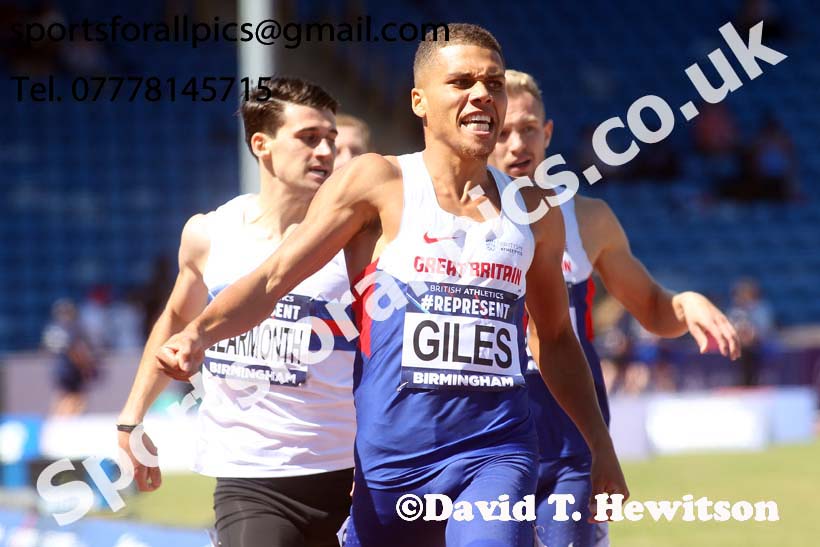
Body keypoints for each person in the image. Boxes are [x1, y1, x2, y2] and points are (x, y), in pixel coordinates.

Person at [156, 24, 627, 547]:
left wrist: (600, 447)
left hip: (497, 450)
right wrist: (199, 333)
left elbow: (558, 338)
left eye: (493, 83)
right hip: (392, 464)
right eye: (462, 82)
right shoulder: (378, 183)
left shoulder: (534, 212)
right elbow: (272, 278)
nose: (481, 95)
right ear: (419, 101)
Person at [489, 69, 741, 547]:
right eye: (503, 131)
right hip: (483, 441)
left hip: (570, 448)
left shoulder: (588, 219)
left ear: (547, 134)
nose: (517, 143)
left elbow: (651, 306)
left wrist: (683, 303)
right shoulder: (445, 224)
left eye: (527, 129)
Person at [117, 77, 356, 547]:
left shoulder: (359, 239)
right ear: (261, 145)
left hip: (351, 472)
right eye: (309, 138)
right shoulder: (211, 234)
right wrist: (132, 419)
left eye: (330, 138)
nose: (326, 151)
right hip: (251, 479)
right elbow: (175, 321)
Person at [42, 298, 100, 415]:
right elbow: (75, 350)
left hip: (58, 368)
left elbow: (45, 349)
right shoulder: (71, 327)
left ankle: (55, 421)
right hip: (71, 368)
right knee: (76, 398)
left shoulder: (52, 328)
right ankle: (64, 423)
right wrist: (85, 367)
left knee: (61, 395)